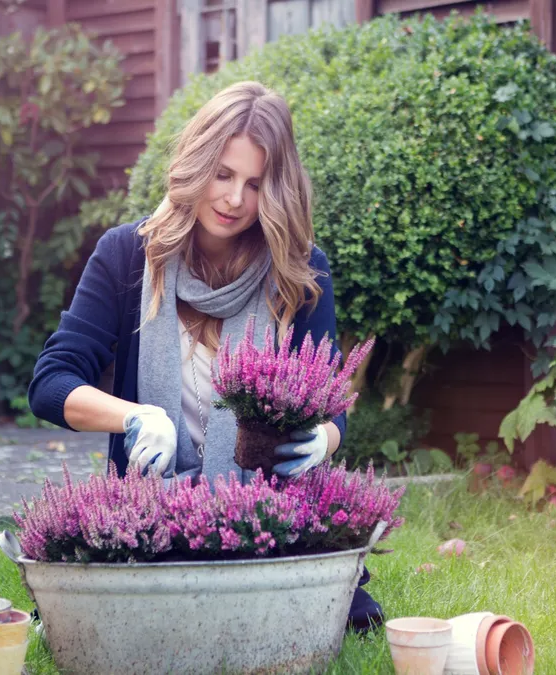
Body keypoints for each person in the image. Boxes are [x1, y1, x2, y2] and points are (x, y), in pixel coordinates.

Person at [27, 81, 382, 632]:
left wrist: (321, 440)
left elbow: (331, 407)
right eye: (222, 174)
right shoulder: (127, 255)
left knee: (341, 618)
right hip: (151, 515)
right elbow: (51, 383)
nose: (234, 199)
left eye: (255, 184)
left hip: (263, 519)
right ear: (196, 163)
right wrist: (135, 416)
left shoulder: (299, 270)